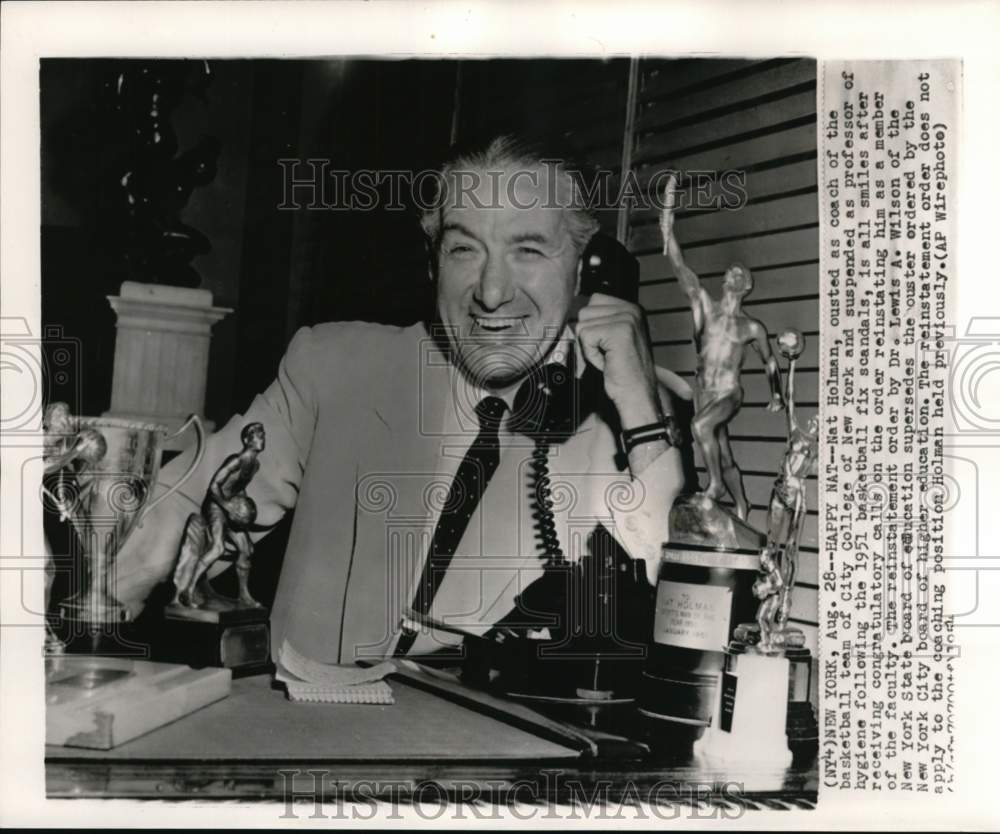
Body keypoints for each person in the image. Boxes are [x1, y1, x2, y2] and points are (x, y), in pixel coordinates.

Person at [114, 135, 686, 664]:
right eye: (464, 249)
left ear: (586, 269)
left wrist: (641, 417)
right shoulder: (335, 368)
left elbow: (683, 621)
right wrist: (94, 612)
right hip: (309, 733)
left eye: (529, 250)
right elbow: (180, 514)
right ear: (433, 262)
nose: (491, 293)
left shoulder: (634, 417)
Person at [659, 174, 784, 520]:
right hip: (704, 390)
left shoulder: (751, 327)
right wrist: (668, 219)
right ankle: (743, 505)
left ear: (745, 287)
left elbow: (770, 361)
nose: (731, 274)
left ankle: (714, 487)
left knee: (700, 428)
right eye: (730, 271)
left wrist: (776, 394)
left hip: (729, 393)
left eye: (738, 274)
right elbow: (678, 264)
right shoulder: (704, 305)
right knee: (723, 452)